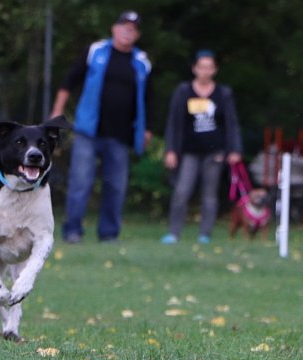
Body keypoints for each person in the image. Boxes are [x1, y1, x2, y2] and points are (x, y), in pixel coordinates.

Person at [50, 10, 152, 244]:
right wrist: (57, 110)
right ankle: (72, 231)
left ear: (137, 35)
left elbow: (148, 98)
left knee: (116, 187)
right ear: (114, 29)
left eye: (133, 29)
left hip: (120, 134)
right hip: (88, 131)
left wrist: (146, 129)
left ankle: (108, 234)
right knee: (80, 182)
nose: (128, 31)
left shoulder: (141, 62)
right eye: (124, 26)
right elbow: (69, 81)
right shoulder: (95, 52)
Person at [160, 49, 242, 244]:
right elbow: (174, 122)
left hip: (215, 152)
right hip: (189, 151)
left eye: (209, 67)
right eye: (201, 67)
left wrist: (234, 150)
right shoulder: (183, 91)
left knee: (209, 194)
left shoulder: (223, 93)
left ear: (214, 70)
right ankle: (174, 232)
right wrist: (170, 150)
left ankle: (205, 234)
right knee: (182, 191)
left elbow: (231, 123)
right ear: (194, 69)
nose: (205, 71)